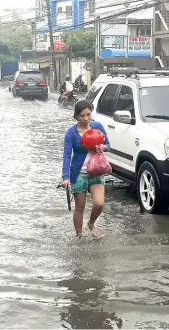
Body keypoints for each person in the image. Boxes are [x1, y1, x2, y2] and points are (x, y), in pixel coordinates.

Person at [62, 100, 110, 239]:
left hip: (97, 171)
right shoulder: (71, 133)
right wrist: (66, 177)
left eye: (88, 114)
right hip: (79, 174)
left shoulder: (98, 127)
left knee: (99, 203)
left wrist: (103, 147)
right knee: (80, 207)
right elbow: (66, 156)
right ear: (76, 116)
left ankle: (91, 224)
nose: (86, 118)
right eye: (82, 115)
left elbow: (108, 144)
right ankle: (79, 236)